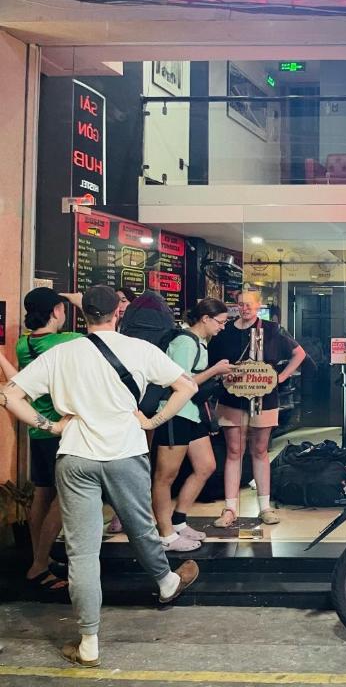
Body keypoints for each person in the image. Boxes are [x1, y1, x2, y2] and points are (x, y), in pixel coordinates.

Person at [0, 285, 199, 668]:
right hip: (125, 451)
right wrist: (153, 420)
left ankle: (88, 640)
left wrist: (52, 425)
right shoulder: (138, 350)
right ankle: (167, 582)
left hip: (75, 455)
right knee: (141, 527)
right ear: (117, 313)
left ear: (82, 314)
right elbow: (185, 386)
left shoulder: (62, 352)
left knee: (82, 550)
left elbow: (9, 395)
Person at [0, 288, 81, 594]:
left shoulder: (24, 343)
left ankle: (40, 559)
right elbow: (103, 329)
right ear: (57, 310)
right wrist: (79, 300)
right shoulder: (68, 342)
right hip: (61, 429)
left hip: (37, 429)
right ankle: (39, 564)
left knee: (42, 495)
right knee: (67, 497)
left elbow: (19, 382)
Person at [208, 290, 305, 527]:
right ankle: (230, 508)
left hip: (265, 398)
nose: (244, 308)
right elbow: (212, 362)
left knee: (260, 450)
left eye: (249, 304)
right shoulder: (226, 331)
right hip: (232, 399)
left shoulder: (272, 329)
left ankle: (265, 506)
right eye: (241, 304)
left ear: (258, 305)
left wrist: (281, 377)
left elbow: (299, 353)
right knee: (233, 451)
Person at [151, 298, 234, 552]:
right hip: (175, 413)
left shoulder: (200, 343)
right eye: (220, 322)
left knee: (206, 465)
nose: (222, 327)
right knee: (165, 475)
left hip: (192, 413)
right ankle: (165, 534)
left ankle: (178, 520)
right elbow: (181, 382)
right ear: (205, 319)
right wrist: (215, 371)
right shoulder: (185, 342)